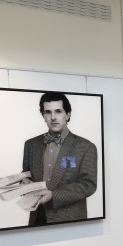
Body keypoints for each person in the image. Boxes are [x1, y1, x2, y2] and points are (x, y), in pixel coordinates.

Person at [22, 92, 98, 225]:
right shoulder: (31, 145)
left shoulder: (86, 147)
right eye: (48, 112)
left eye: (58, 111)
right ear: (43, 115)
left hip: (70, 220)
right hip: (37, 218)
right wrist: (24, 182)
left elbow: (88, 185)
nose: (53, 117)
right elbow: (27, 173)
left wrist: (53, 195)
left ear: (68, 114)